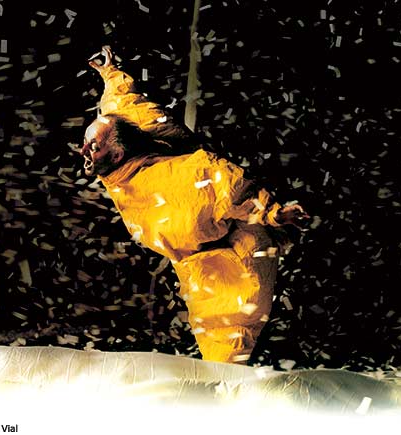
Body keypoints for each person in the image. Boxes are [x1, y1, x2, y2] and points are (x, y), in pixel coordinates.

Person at [79, 47, 309, 364]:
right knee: (215, 347)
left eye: (92, 146)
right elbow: (125, 102)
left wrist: (274, 213)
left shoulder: (183, 177)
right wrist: (111, 72)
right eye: (87, 142)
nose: (83, 150)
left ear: (117, 155)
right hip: (195, 258)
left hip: (232, 259)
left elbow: (230, 186)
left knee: (229, 344)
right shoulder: (126, 128)